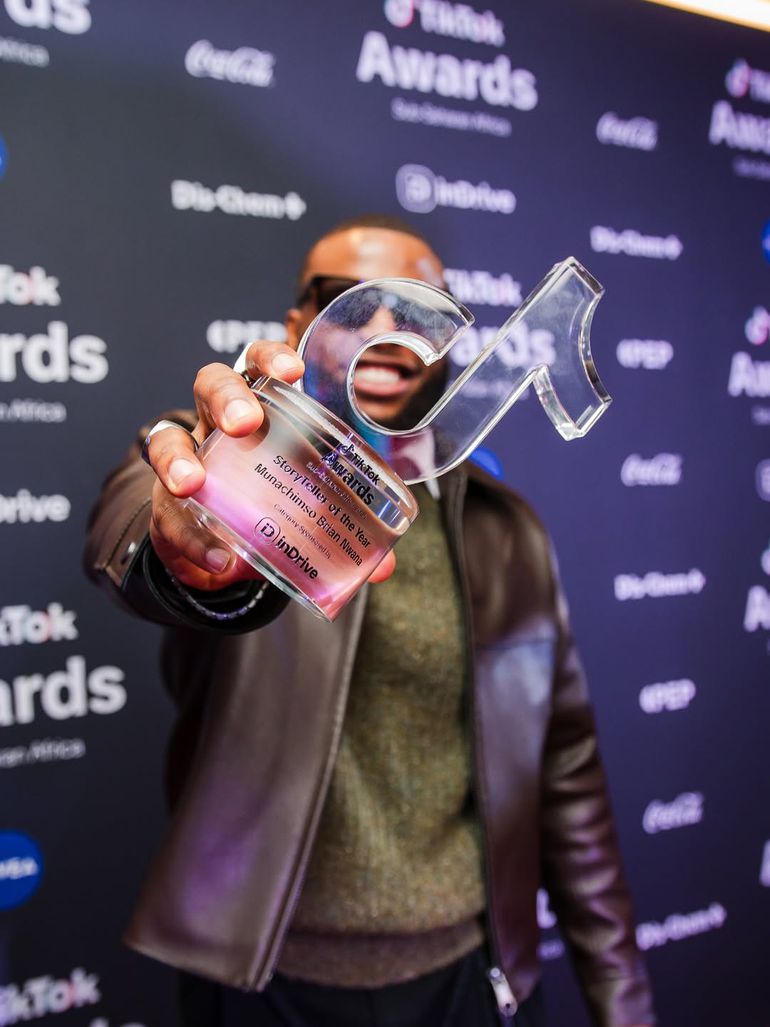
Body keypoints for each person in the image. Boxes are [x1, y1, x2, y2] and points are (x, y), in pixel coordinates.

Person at [84, 214, 656, 1027]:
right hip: (266, 982)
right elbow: (127, 530)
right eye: (346, 303)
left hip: (465, 976)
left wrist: (621, 1001)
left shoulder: (507, 529)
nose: (385, 329)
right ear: (296, 325)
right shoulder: (217, 465)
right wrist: (190, 557)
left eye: (413, 309)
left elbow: (564, 770)